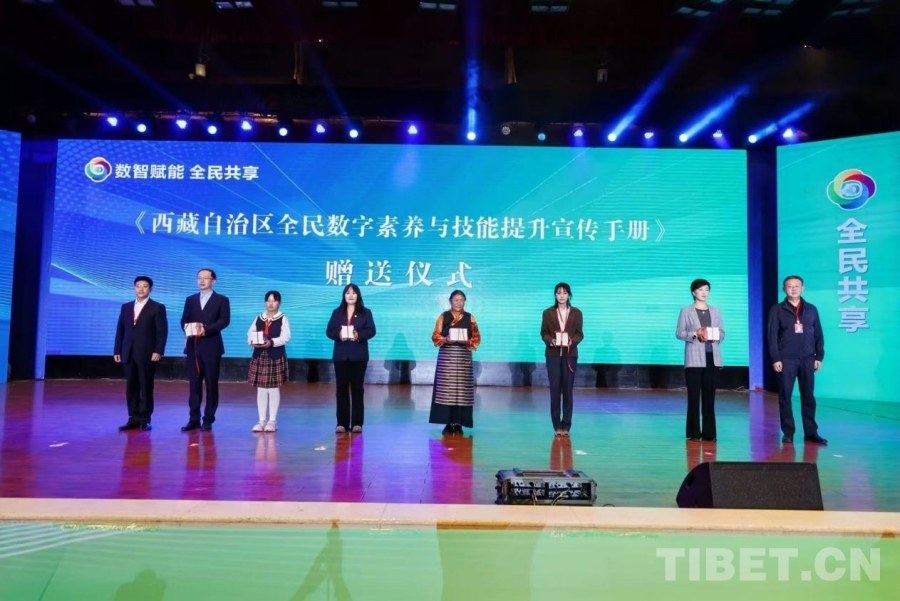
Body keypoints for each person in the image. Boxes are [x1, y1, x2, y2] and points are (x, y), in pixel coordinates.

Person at [767, 275, 827, 445]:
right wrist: (775, 358)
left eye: (796, 286)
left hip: (808, 359)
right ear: (784, 289)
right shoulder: (777, 310)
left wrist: (819, 356)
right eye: (789, 286)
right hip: (786, 360)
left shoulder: (811, 309)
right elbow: (772, 336)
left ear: (803, 288)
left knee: (808, 396)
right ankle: (788, 432)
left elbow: (818, 334)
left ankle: (811, 432)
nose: (793, 289)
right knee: (785, 396)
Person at [113, 275, 168, 431]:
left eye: (144, 286)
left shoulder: (157, 307)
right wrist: (117, 349)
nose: (141, 289)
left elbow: (162, 332)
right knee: (131, 387)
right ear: (134, 288)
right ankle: (133, 417)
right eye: (138, 286)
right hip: (128, 352)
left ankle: (145, 419)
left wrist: (158, 350)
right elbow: (120, 329)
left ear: (150, 289)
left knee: (146, 386)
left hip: (147, 353)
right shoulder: (126, 307)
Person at [180, 268, 231, 431]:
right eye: (199, 278)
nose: (201, 281)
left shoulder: (222, 300)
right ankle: (193, 419)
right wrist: (189, 329)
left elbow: (224, 321)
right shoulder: (190, 300)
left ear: (213, 281)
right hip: (193, 347)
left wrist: (206, 329)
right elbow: (184, 320)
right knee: (194, 384)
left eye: (205, 278)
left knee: (211, 383)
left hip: (211, 346)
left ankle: (208, 419)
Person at [675, 278, 725, 442]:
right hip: (694, 358)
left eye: (707, 290)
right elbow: (679, 333)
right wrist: (695, 334)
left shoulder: (715, 311)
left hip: (712, 357)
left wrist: (715, 335)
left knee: (709, 396)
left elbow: (722, 333)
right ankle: (693, 432)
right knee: (694, 396)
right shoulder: (686, 311)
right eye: (701, 289)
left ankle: (709, 433)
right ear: (693, 292)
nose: (704, 293)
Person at [429, 289, 482, 435]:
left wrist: (467, 341)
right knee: (447, 392)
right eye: (456, 300)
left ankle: (459, 423)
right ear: (450, 301)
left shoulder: (470, 318)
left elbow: (477, 338)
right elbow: (435, 336)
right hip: (447, 358)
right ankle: (448, 423)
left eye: (461, 300)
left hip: (464, 357)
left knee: (462, 392)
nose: (459, 303)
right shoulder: (443, 316)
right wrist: (445, 339)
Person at [325, 283, 376, 434]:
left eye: (353, 293)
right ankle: (341, 423)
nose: (351, 295)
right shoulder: (337, 313)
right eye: (348, 293)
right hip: (341, 356)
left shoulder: (366, 312)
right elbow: (329, 331)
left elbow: (372, 330)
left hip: (359, 356)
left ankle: (357, 423)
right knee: (341, 389)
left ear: (358, 295)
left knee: (357, 389)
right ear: (344, 296)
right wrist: (338, 335)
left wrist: (358, 335)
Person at [540, 282, 584, 436]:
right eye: (558, 293)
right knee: (555, 390)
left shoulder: (577, 313)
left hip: (569, 356)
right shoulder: (548, 313)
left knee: (568, 390)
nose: (562, 296)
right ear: (555, 295)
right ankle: (556, 425)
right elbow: (543, 332)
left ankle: (566, 425)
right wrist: (550, 340)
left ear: (569, 295)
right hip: (552, 355)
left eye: (564, 292)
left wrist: (572, 341)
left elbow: (580, 334)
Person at [247, 290, 292, 433]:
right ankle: (261, 420)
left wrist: (271, 342)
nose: (271, 303)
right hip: (260, 356)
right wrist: (252, 342)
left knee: (273, 388)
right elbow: (250, 333)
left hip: (275, 356)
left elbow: (286, 337)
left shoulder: (283, 318)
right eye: (268, 300)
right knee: (261, 389)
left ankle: (272, 421)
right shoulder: (259, 318)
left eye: (274, 300)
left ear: (279, 303)